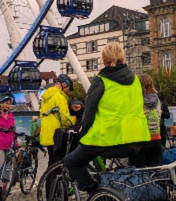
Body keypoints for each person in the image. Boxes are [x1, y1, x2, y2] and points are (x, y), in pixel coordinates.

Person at [63, 42, 150, 193]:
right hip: (137, 136)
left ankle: (96, 196)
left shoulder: (101, 81)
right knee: (138, 175)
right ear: (122, 57)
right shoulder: (136, 80)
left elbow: (89, 112)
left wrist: (84, 131)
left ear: (103, 60)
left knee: (72, 162)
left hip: (108, 137)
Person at [40, 74, 76, 167]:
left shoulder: (47, 96)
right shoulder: (59, 96)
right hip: (57, 133)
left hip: (48, 132)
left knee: (52, 161)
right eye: (68, 87)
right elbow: (64, 118)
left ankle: (49, 181)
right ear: (63, 84)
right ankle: (53, 181)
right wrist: (74, 120)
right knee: (58, 163)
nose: (68, 91)